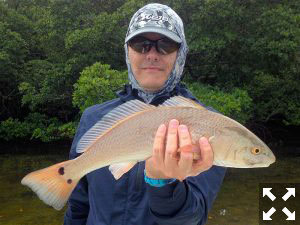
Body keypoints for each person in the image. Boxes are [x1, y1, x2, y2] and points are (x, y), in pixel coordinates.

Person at [64, 3, 226, 225]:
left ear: (181, 53)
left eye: (165, 45)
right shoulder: (93, 117)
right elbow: (78, 205)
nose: (151, 54)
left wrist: (163, 184)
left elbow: (193, 218)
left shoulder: (210, 126)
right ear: (127, 51)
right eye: (141, 44)